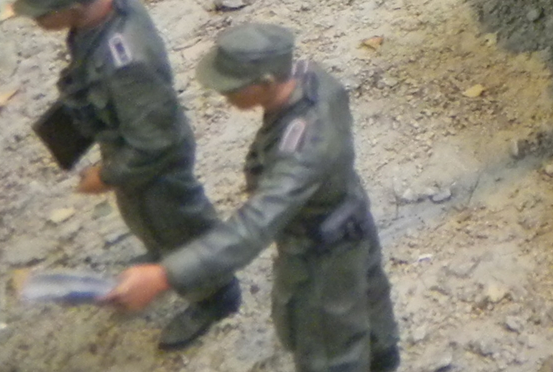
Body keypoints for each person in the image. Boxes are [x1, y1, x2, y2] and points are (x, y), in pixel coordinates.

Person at [104, 23, 400, 372]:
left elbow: (253, 226)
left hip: (321, 249)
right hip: (348, 213)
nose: (224, 95)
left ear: (267, 82)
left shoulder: (301, 152)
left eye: (233, 87)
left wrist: (165, 275)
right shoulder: (313, 79)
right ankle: (383, 358)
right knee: (369, 298)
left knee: (325, 344)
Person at [14, 0, 241, 349]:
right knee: (142, 215)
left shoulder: (126, 62)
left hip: (153, 160)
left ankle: (215, 294)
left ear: (72, 7)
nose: (35, 21)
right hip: (126, 143)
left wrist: (106, 175)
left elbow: (157, 142)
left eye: (41, 13)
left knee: (182, 227)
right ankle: (161, 253)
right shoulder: (104, 8)